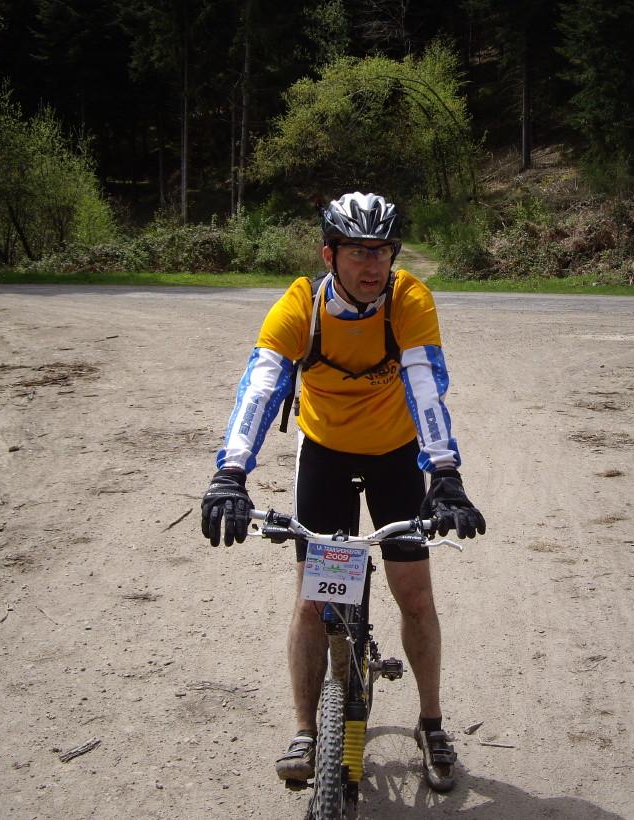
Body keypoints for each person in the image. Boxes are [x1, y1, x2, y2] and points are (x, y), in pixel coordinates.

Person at [200, 191, 486, 793]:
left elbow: (425, 383)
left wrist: (445, 473)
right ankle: (307, 731)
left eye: (382, 251)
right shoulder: (301, 306)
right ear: (329, 254)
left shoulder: (408, 300)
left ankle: (431, 722)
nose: (372, 264)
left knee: (414, 594)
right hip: (325, 454)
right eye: (358, 252)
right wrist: (230, 474)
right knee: (312, 602)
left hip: (395, 456)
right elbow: (261, 386)